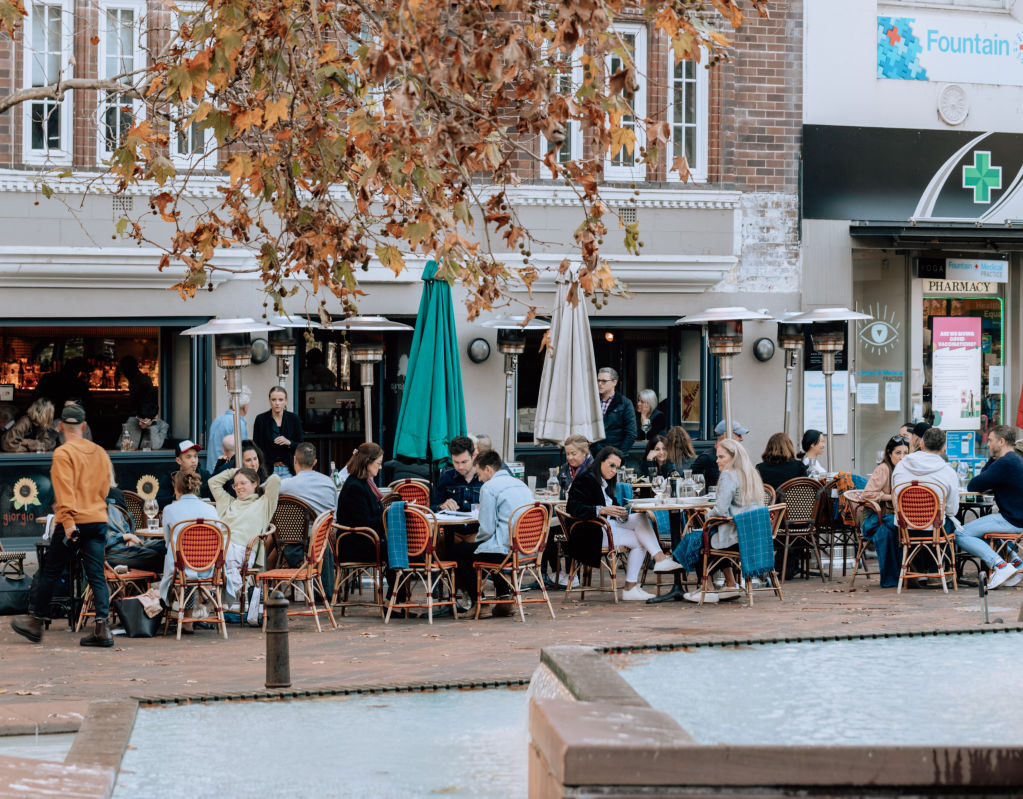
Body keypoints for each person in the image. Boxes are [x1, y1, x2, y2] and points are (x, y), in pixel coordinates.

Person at [11, 404, 114, 647]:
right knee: (96, 574)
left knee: (51, 570)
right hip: (98, 519)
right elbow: (105, 488)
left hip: (74, 521)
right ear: (84, 426)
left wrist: (67, 523)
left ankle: (35, 622)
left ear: (60, 427)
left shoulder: (63, 453)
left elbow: (65, 492)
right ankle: (103, 628)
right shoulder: (100, 452)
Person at [567, 446, 682, 601]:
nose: (614, 470)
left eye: (617, 467)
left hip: (607, 527)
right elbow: (573, 507)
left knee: (641, 518)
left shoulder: (605, 481)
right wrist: (601, 510)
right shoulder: (585, 478)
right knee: (641, 540)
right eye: (611, 465)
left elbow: (612, 508)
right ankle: (632, 585)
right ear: (601, 461)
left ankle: (650, 567)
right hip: (590, 533)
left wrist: (622, 514)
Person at [452, 449, 533, 616]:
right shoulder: (521, 484)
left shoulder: (489, 487)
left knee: (460, 552)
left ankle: (478, 603)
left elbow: (487, 529)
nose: (479, 479)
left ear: (488, 469)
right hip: (529, 548)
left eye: (480, 474)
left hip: (506, 550)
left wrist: (478, 543)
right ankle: (504, 599)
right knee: (489, 547)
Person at [685, 438, 765, 603]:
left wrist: (707, 514)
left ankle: (706, 588)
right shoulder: (752, 473)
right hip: (755, 535)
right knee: (712, 532)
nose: (717, 460)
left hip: (737, 536)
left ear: (733, 457)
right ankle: (730, 583)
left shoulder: (729, 474)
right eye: (717, 456)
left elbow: (720, 511)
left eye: (721, 457)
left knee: (696, 538)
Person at [957, 424, 1023, 590]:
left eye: (991, 440)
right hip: (1018, 518)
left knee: (960, 533)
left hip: (1012, 520)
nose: (987, 444)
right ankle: (1016, 561)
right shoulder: (1015, 460)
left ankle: (1000, 566)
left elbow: (974, 485)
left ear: (1001, 442)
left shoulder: (1004, 463)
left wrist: (992, 459)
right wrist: (994, 458)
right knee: (984, 532)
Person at [891, 426, 960, 583]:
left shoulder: (901, 466)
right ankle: (938, 570)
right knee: (948, 522)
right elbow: (952, 509)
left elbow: (896, 498)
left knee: (935, 522)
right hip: (934, 530)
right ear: (943, 449)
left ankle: (917, 570)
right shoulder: (948, 472)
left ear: (921, 445)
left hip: (906, 529)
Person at [209, 465, 281, 607]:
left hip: (243, 551)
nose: (238, 487)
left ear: (255, 483)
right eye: (235, 484)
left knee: (205, 560)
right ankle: (210, 591)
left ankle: (212, 592)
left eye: (243, 483)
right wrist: (233, 471)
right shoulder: (228, 502)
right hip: (221, 548)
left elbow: (275, 480)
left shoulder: (263, 503)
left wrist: (258, 485)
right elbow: (213, 482)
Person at [158, 470, 217, 632]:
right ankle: (203, 605)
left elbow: (167, 542)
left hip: (183, 566)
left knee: (179, 561)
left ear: (176, 488)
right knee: (191, 567)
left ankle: (186, 620)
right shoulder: (211, 510)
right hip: (208, 566)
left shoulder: (170, 510)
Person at [278, 442, 338, 590]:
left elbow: (263, 491)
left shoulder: (286, 485)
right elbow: (335, 515)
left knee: (271, 539)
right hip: (323, 539)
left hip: (293, 539)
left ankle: (271, 587)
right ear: (315, 462)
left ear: (294, 460)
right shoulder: (329, 483)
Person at [859, 435, 910, 588]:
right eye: (898, 453)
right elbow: (867, 494)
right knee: (892, 529)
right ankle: (894, 577)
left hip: (894, 515)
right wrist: (889, 496)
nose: (902, 457)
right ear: (889, 453)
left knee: (906, 527)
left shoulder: (907, 469)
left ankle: (908, 575)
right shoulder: (883, 469)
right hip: (876, 517)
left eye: (906, 453)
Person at [105, 462, 166, 574]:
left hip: (125, 546)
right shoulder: (92, 508)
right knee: (161, 557)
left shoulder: (112, 506)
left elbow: (126, 527)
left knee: (167, 545)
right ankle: (180, 587)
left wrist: (131, 538)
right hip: (113, 553)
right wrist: (125, 537)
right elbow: (98, 542)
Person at [253, 386, 304, 478]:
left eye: (280, 400)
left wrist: (289, 443)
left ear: (286, 401)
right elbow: (256, 447)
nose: (277, 403)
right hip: (267, 470)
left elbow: (301, 446)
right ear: (269, 400)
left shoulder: (293, 419)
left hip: (289, 469)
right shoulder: (261, 419)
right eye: (274, 400)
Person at [591, 368, 637, 456]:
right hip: (594, 454)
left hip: (615, 453)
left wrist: (619, 455)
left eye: (604, 381)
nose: (599, 384)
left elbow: (631, 433)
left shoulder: (625, 403)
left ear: (614, 383)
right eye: (598, 380)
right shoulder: (592, 402)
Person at [206, 384, 251, 472]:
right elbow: (241, 453)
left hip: (212, 470)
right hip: (228, 472)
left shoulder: (217, 420)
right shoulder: (238, 423)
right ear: (245, 407)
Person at [432, 436, 483, 512]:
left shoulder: (485, 477)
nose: (460, 467)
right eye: (456, 462)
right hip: (453, 523)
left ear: (473, 457)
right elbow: (433, 507)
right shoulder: (447, 477)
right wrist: (442, 506)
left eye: (464, 462)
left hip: (478, 524)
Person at [691, 420, 748, 488]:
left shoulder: (738, 456)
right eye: (738, 435)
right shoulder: (706, 457)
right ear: (726, 435)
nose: (741, 439)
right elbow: (688, 480)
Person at [156, 440, 212, 509]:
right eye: (188, 457)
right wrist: (176, 497)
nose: (194, 460)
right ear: (178, 460)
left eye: (195, 456)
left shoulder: (205, 475)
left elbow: (215, 497)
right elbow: (158, 502)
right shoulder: (170, 477)